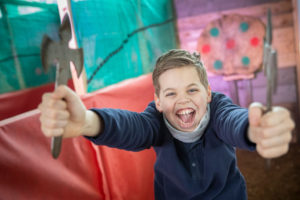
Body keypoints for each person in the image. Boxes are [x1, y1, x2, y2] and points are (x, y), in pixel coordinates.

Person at [38, 49, 295, 199]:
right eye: (171, 93)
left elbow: (233, 120)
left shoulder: (218, 108)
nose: (182, 99)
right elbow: (133, 127)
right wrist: (86, 121)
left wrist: (255, 129)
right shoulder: (156, 121)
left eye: (192, 90)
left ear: (207, 93)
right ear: (158, 101)